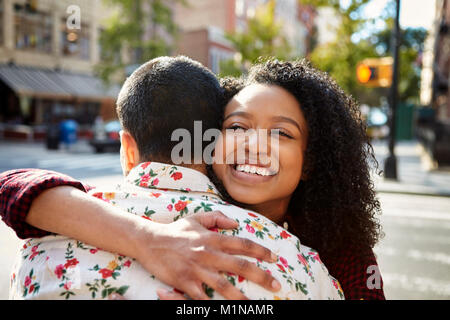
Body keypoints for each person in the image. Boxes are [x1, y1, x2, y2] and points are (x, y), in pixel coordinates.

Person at [1, 58, 385, 300]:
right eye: (237, 127)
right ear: (210, 142)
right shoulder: (103, 214)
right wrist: (149, 239)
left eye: (281, 133)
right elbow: (14, 186)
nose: (253, 144)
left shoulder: (338, 254)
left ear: (314, 159)